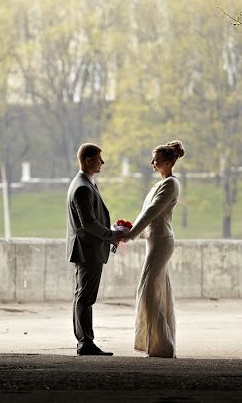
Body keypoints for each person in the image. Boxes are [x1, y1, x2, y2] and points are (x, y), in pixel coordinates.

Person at [121, 140, 185, 358]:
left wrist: (129, 235)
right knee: (158, 291)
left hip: (161, 241)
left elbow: (151, 213)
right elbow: (147, 216)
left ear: (168, 162)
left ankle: (162, 345)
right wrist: (128, 233)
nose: (152, 163)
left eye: (156, 160)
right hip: (154, 240)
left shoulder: (170, 185)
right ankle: (161, 344)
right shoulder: (160, 185)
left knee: (149, 292)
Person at [66, 143, 123, 356]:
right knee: (85, 297)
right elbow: (88, 223)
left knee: (82, 296)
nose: (102, 162)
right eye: (99, 158)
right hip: (88, 250)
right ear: (88, 160)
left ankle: (84, 341)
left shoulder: (84, 184)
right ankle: (85, 343)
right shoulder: (82, 187)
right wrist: (112, 235)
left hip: (86, 249)